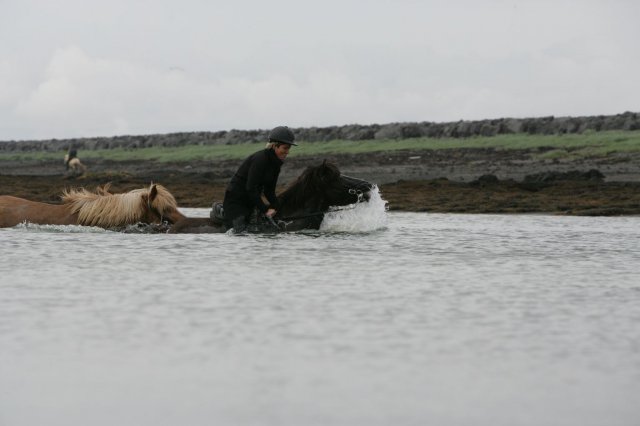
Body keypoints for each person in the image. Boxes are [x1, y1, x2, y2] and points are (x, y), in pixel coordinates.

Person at [222, 125, 297, 232]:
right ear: (274, 146)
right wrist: (266, 210)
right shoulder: (260, 160)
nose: (287, 152)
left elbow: (269, 191)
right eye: (285, 148)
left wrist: (276, 207)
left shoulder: (276, 164)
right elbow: (250, 188)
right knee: (241, 232)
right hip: (235, 201)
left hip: (251, 201)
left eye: (289, 148)